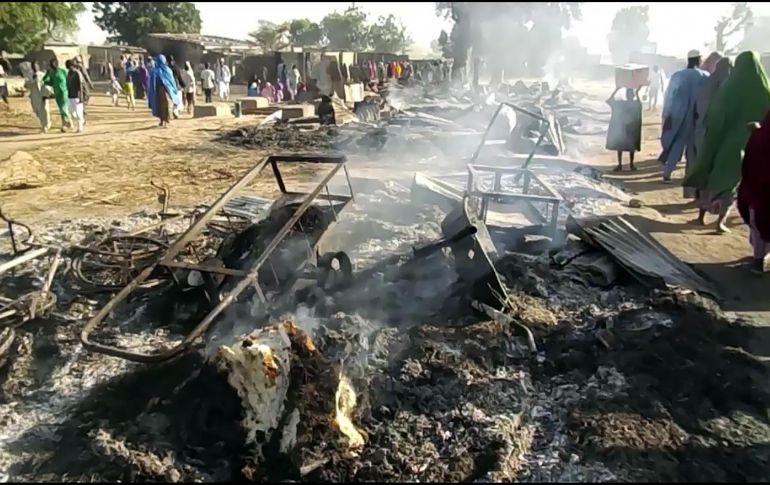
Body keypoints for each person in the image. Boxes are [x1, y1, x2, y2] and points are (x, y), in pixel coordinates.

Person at [683, 51, 770, 234]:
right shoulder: (764, 88)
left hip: (722, 140)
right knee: (732, 182)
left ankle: (701, 217)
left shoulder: (729, 88)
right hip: (750, 144)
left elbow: (716, 115)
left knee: (710, 175)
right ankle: (720, 223)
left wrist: (711, 136)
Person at [659, 49, 709, 183]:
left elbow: (669, 95)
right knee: (692, 147)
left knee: (677, 143)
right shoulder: (704, 75)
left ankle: (667, 173)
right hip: (696, 116)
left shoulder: (678, 75)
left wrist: (666, 114)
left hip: (677, 114)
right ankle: (690, 177)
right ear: (699, 60)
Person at [687, 56, 732, 198]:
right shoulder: (730, 86)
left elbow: (697, 108)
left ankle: (698, 196)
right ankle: (711, 198)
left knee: (701, 163)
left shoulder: (707, 83)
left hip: (702, 130)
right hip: (720, 134)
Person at [737, 112, 770, 274]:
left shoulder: (761, 137)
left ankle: (758, 262)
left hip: (761, 190)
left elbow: (751, 165)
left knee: (758, 223)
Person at [606, 87, 642, 171]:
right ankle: (631, 165)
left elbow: (609, 100)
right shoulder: (635, 104)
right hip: (631, 129)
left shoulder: (621, 104)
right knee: (630, 147)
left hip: (623, 129)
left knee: (620, 147)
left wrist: (616, 90)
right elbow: (640, 104)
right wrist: (637, 93)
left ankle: (620, 165)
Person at [147, 54, 180, 128]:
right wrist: (174, 89)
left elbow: (153, 83)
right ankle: (165, 121)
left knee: (160, 106)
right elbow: (172, 81)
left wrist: (152, 93)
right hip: (168, 91)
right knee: (167, 105)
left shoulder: (155, 71)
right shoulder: (168, 70)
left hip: (159, 91)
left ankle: (163, 121)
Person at [43, 59, 70, 132]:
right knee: (61, 110)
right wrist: (47, 74)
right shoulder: (52, 73)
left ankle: (68, 122)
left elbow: (68, 80)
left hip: (64, 92)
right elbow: (46, 82)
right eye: (51, 64)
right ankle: (64, 124)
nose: (52, 66)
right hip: (57, 93)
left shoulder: (63, 71)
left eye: (54, 64)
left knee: (63, 108)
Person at [26, 62, 51, 132]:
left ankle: (46, 125)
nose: (34, 67)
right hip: (34, 95)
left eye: (36, 66)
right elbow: (26, 85)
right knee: (37, 111)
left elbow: (47, 84)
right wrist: (32, 81)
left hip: (43, 95)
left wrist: (47, 94)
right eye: (33, 66)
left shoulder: (42, 75)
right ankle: (43, 124)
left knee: (45, 110)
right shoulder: (29, 75)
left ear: (38, 66)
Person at [65, 59, 86, 133]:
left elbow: (80, 85)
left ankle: (80, 126)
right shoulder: (69, 74)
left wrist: (81, 96)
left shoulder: (77, 73)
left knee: (78, 112)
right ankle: (82, 121)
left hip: (77, 96)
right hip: (70, 95)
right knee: (71, 112)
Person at [74, 55, 93, 125]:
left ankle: (82, 116)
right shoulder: (81, 67)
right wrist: (90, 83)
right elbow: (86, 75)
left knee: (80, 101)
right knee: (84, 100)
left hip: (76, 88)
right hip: (82, 85)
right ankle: (83, 115)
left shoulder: (73, 68)